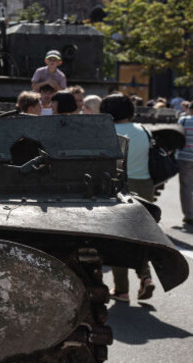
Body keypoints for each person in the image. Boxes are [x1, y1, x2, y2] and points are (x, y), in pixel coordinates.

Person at [100, 94, 156, 302]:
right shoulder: (144, 130)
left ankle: (122, 290)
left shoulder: (108, 132)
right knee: (140, 236)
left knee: (119, 238)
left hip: (119, 186)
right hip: (145, 185)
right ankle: (145, 275)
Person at [178, 108, 193, 229]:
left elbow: (176, 137)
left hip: (184, 158)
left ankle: (189, 215)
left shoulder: (183, 120)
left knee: (186, 187)